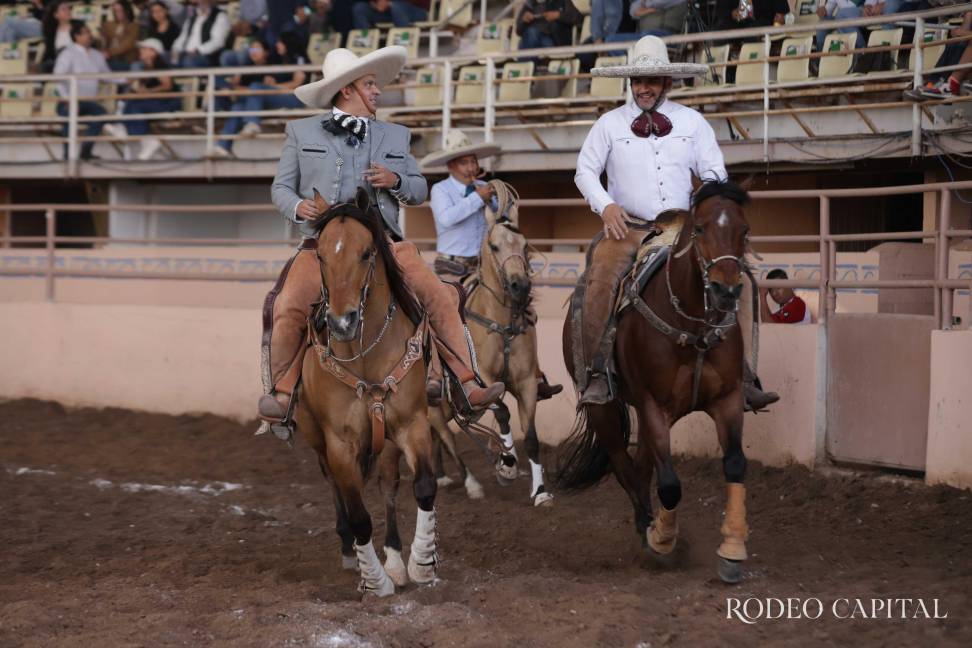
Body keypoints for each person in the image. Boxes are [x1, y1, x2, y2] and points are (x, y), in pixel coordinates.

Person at [260, 45, 506, 433]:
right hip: (321, 246)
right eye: (370, 84)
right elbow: (280, 188)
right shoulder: (300, 131)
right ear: (347, 90)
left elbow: (419, 189)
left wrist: (395, 181)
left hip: (384, 244)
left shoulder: (395, 135)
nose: (377, 91)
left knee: (440, 296)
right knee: (287, 305)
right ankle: (283, 393)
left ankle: (466, 383)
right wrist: (297, 206)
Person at [573, 35, 778, 409]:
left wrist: (710, 208)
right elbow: (585, 171)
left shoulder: (693, 122)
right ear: (630, 82)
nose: (644, 88)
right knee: (601, 279)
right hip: (630, 228)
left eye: (652, 80)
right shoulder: (608, 124)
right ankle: (599, 372)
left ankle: (743, 374)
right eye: (638, 80)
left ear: (667, 82)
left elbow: (714, 173)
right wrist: (606, 206)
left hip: (686, 229)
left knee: (742, 280)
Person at [422, 129, 565, 402]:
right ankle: (436, 375)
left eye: (473, 161)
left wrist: (494, 200)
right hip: (452, 267)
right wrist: (478, 197)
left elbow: (504, 220)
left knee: (524, 309)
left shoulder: (485, 189)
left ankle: (534, 373)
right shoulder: (441, 190)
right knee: (441, 312)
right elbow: (447, 218)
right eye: (464, 162)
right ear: (451, 166)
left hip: (488, 267)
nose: (471, 167)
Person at [212, 33, 307, 157]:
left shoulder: (296, 58)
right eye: (251, 49)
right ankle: (223, 146)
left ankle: (252, 123)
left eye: (280, 42)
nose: (277, 45)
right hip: (266, 99)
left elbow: (297, 83)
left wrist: (272, 87)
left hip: (294, 97)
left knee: (256, 87)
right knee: (238, 107)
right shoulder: (274, 61)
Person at [103, 38, 180, 160]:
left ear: (153, 52)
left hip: (167, 102)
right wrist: (136, 91)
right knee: (132, 101)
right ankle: (138, 136)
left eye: (144, 49)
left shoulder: (160, 66)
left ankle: (130, 132)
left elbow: (167, 86)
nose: (141, 51)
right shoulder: (145, 67)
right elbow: (143, 88)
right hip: (154, 102)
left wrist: (147, 92)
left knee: (136, 106)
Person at [53, 21, 112, 161]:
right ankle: (67, 155)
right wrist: (67, 98)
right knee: (68, 116)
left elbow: (108, 76)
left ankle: (86, 151)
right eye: (86, 32)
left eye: (89, 32)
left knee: (101, 115)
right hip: (68, 101)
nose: (89, 35)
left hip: (89, 102)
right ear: (76, 36)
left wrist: (126, 80)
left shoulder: (97, 55)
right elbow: (57, 78)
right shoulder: (68, 53)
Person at [171, 0, 230, 67]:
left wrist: (198, 50)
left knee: (188, 61)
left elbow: (218, 42)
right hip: (185, 53)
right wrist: (175, 49)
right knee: (166, 57)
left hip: (205, 56)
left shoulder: (220, 16)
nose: (201, 2)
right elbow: (182, 37)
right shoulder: (192, 18)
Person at [515, 0, 581, 50]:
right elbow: (518, 31)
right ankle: (526, 62)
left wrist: (558, 15)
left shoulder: (562, 1)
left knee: (532, 33)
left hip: (554, 41)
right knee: (530, 33)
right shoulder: (529, 4)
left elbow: (578, 18)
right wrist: (523, 21)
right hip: (530, 40)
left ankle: (525, 62)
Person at [101, 0, 140, 70]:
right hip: (110, 59)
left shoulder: (134, 26)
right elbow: (104, 41)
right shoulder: (109, 25)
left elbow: (127, 44)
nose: (118, 13)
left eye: (121, 10)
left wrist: (109, 53)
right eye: (115, 11)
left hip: (126, 60)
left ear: (127, 11)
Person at [40, 0, 74, 73]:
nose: (68, 11)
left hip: (77, 59)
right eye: (64, 10)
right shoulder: (51, 31)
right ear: (56, 15)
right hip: (58, 61)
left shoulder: (78, 26)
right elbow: (49, 53)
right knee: (47, 65)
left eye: (69, 8)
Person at [714, 0, 789, 31]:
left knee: (752, 32)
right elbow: (720, 10)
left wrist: (778, 21)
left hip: (763, 21)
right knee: (720, 30)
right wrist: (731, 13)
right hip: (736, 22)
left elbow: (781, 11)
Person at [351, 0, 429, 29]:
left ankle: (403, 43)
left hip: (416, 11)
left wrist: (388, 2)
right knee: (359, 8)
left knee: (395, 6)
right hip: (387, 13)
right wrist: (373, 3)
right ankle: (365, 42)